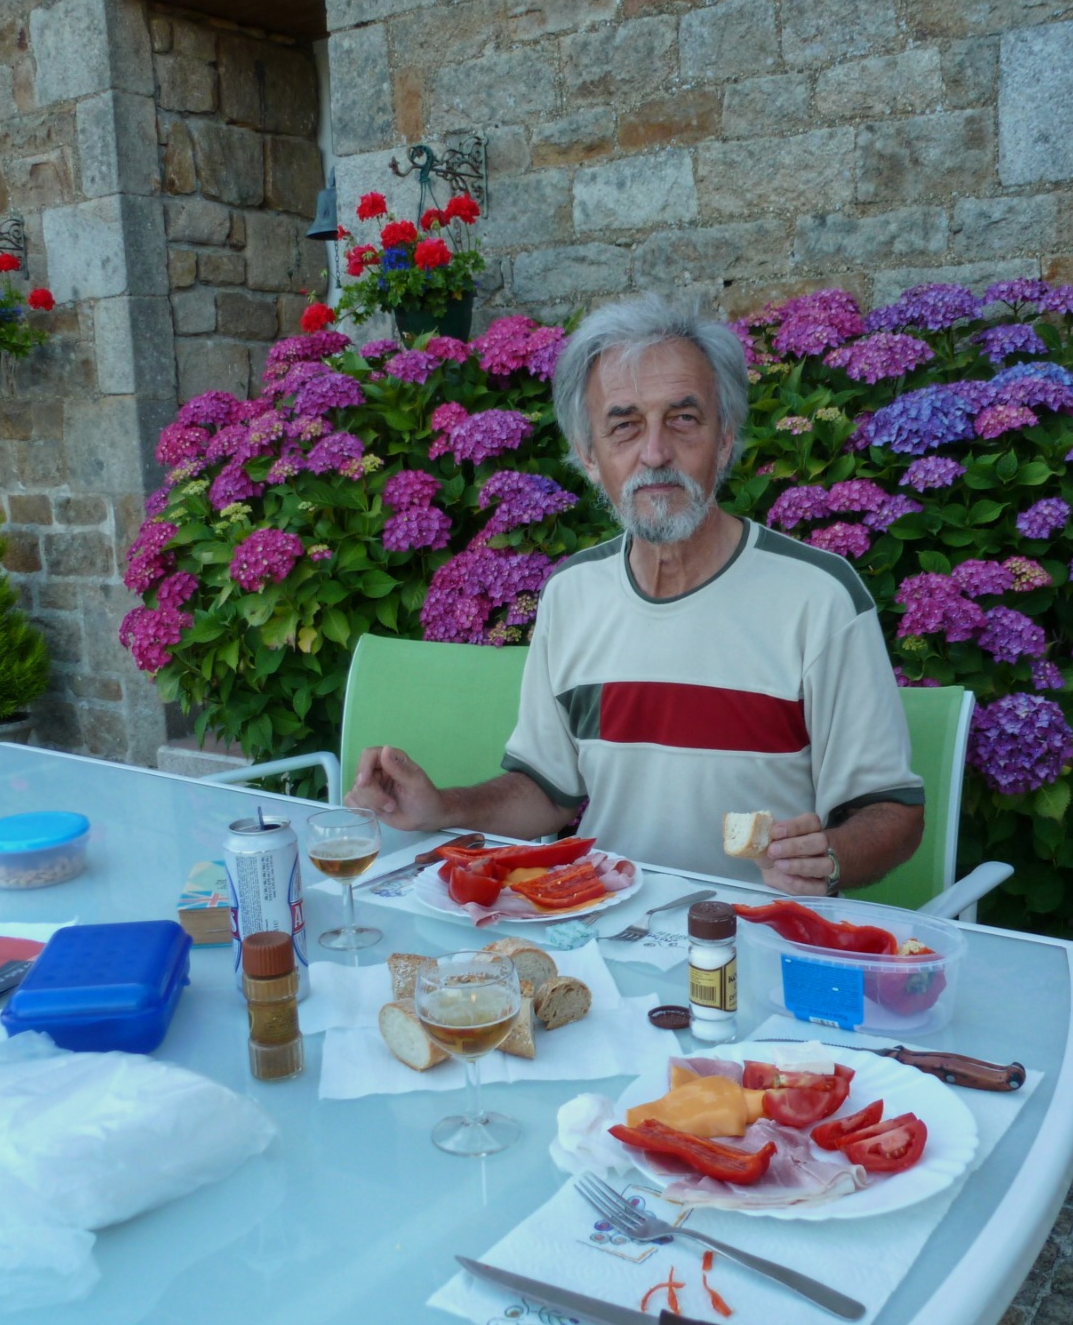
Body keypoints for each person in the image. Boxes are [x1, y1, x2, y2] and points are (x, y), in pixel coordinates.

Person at [346, 293, 924, 894]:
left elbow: (894, 813)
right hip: (602, 922)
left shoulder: (820, 597)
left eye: (684, 418)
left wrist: (828, 857)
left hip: (760, 928)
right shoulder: (571, 595)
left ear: (725, 439)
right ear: (589, 457)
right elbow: (546, 791)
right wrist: (443, 807)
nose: (655, 453)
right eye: (624, 426)